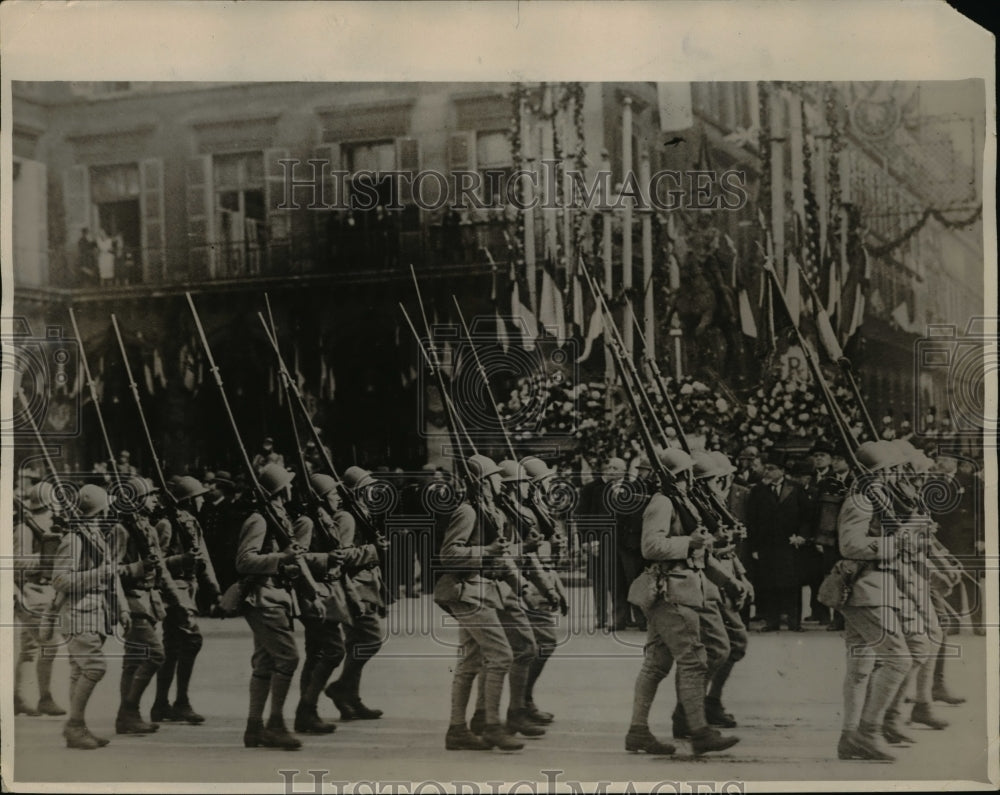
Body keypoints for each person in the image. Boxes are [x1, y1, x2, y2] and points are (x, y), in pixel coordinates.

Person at [624, 448, 739, 756]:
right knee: (693, 660)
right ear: (682, 475)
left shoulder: (682, 502)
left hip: (685, 588)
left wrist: (728, 580)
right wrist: (691, 542)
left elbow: (698, 551)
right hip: (670, 590)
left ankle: (638, 731)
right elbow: (651, 546)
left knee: (657, 664)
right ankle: (698, 731)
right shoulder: (662, 503)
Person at [835, 440, 944, 761]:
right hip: (865, 588)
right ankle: (868, 732)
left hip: (879, 586)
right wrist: (899, 539)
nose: (897, 474)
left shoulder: (876, 496)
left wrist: (908, 534)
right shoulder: (860, 501)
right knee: (897, 659)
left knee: (863, 665)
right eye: (890, 470)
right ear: (879, 472)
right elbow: (850, 545)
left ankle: (852, 735)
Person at [434, 454, 524, 752]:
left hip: (481, 591)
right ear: (483, 482)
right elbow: (448, 555)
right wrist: (486, 550)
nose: (500, 481)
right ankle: (492, 726)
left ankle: (457, 729)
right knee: (502, 656)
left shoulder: (486, 509)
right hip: (467, 591)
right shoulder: (468, 512)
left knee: (471, 661)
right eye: (495, 477)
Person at [235, 462, 323, 750]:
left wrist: (311, 592)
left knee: (265, 662)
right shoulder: (260, 519)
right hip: (263, 597)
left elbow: (294, 559)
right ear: (280, 488)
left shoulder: (278, 516)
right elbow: (244, 561)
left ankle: (254, 727)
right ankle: (274, 724)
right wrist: (281, 557)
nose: (291, 488)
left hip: (277, 596)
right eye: (288, 484)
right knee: (288, 658)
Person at [51, 484, 130, 749]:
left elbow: (112, 575)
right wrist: (98, 575)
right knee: (95, 667)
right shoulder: (74, 539)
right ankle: (74, 725)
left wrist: (122, 609)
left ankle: (78, 727)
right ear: (101, 508)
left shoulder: (95, 534)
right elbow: (60, 580)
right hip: (77, 613)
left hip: (95, 613)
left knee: (79, 671)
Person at [151, 476, 221, 724]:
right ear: (189, 500)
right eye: (198, 496)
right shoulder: (167, 524)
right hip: (174, 591)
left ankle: (162, 703)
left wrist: (214, 589)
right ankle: (180, 701)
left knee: (173, 647)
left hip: (188, 588)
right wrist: (181, 560)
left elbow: (204, 557)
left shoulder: (191, 522)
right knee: (191, 641)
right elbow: (155, 563)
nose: (202, 500)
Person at [322, 466, 388, 721]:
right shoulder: (347, 517)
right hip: (355, 586)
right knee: (370, 640)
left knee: (357, 644)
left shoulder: (361, 512)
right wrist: (374, 550)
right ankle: (340, 688)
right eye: (366, 486)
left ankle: (350, 698)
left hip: (367, 583)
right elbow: (343, 554)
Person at [111, 477, 172, 735]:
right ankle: (129, 710)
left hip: (148, 599)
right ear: (136, 500)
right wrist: (138, 567)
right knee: (155, 654)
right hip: (132, 600)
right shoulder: (122, 530)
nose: (155, 499)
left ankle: (127, 716)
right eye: (149, 495)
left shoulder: (145, 526)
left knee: (133, 661)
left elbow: (159, 565)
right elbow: (110, 570)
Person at [13, 483, 67, 717]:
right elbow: (15, 562)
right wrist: (45, 558)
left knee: (30, 649)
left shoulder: (50, 525)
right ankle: (44, 698)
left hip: (46, 593)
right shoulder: (24, 529)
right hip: (31, 593)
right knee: (49, 644)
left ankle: (18, 697)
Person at [746, 453, 814, 632]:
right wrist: (754, 547)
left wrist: (802, 536)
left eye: (771, 469)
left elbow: (808, 517)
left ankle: (794, 622)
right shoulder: (758, 491)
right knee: (769, 584)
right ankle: (772, 622)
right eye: (766, 468)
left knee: (792, 585)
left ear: (782, 471)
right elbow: (751, 520)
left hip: (790, 545)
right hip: (767, 545)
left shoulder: (796, 488)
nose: (766, 472)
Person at [576, 457, 625, 630]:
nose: (611, 470)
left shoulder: (624, 489)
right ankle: (601, 617)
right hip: (596, 542)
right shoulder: (590, 489)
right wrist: (587, 541)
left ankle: (618, 618)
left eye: (616, 468)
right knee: (598, 580)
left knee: (616, 581)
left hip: (617, 544)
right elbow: (581, 517)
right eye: (609, 466)